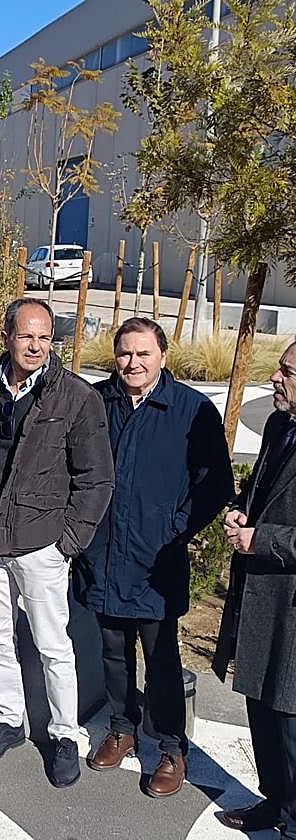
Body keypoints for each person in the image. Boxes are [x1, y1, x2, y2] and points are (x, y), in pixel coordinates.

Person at [0, 298, 114, 789]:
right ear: (7, 337)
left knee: (54, 645)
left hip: (40, 542)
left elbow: (96, 479)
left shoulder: (76, 397)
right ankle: (9, 721)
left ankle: (64, 735)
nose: (36, 346)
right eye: (26, 336)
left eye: (44, 337)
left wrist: (67, 542)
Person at [74, 318, 234, 796]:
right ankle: (122, 728)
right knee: (112, 652)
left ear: (163, 356)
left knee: (161, 659)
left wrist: (174, 529)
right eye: (125, 353)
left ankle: (170, 748)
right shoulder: (96, 402)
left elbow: (215, 485)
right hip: (103, 553)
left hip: (155, 560)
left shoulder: (190, 409)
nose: (133, 363)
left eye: (143, 354)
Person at [213, 342, 296, 836]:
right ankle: (276, 803)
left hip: (290, 606)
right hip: (259, 598)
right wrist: (241, 509)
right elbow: (259, 490)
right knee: (261, 711)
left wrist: (259, 539)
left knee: (290, 722)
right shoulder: (279, 425)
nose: (275, 379)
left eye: (287, 372)